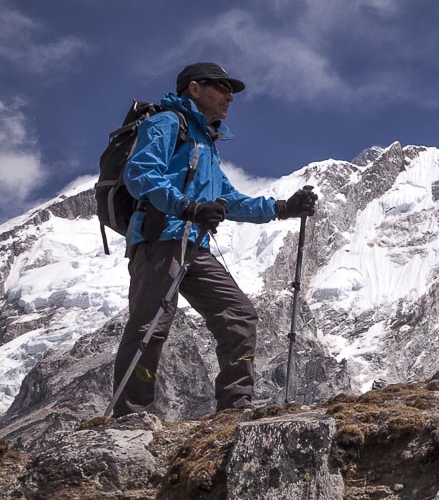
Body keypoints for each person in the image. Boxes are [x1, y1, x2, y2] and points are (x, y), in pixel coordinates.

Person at [111, 62, 317, 417]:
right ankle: (130, 414)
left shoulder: (205, 143)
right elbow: (141, 174)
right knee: (151, 324)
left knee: (238, 314)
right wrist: (187, 206)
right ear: (194, 88)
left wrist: (284, 207)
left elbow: (229, 199)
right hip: (159, 239)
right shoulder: (165, 123)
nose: (230, 97)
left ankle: (235, 407)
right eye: (222, 88)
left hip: (193, 246)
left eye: (230, 91)